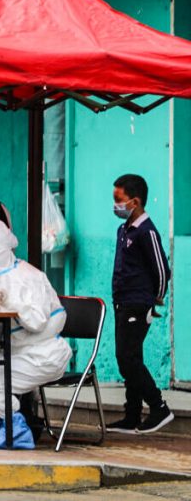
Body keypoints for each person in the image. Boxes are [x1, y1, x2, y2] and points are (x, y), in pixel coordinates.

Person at [0, 222, 72, 448]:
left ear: (1, 250)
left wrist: (13, 303)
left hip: (43, 353)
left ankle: (15, 426)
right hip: (17, 351)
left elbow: (38, 321)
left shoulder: (28, 276)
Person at [107, 174, 173, 434]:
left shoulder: (147, 232)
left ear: (135, 201)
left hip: (138, 303)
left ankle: (159, 407)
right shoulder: (123, 230)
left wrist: (154, 299)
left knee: (126, 358)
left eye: (118, 199)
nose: (115, 205)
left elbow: (161, 270)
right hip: (122, 302)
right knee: (133, 356)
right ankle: (131, 415)